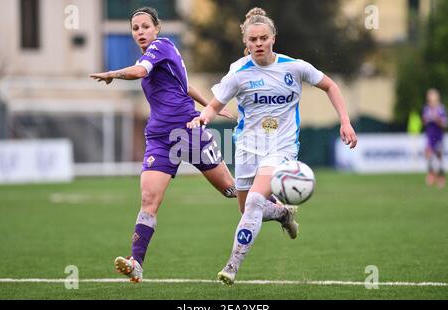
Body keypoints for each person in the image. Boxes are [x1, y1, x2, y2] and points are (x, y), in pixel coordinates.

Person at [90, 7, 297, 283]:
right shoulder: (158, 57)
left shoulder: (160, 47)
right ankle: (136, 262)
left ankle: (280, 211)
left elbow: (140, 72)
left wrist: (113, 73)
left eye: (145, 27)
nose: (140, 32)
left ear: (157, 28)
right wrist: (210, 104)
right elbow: (184, 85)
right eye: (135, 28)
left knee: (233, 191)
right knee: (149, 200)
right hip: (160, 138)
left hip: (189, 132)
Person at [188, 7, 358, 285]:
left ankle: (232, 265)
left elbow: (331, 86)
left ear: (273, 38)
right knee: (247, 209)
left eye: (263, 38)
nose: (258, 44)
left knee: (255, 201)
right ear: (246, 42)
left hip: (282, 147)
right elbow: (214, 106)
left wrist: (345, 121)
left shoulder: (294, 66)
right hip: (246, 148)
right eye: (252, 40)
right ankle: (282, 213)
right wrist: (202, 119)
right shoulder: (238, 74)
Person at [422, 88, 446, 188]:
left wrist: (437, 119)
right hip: (430, 135)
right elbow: (424, 121)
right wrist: (426, 120)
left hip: (438, 136)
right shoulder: (426, 109)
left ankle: (441, 176)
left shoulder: (441, 109)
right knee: (428, 154)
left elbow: (444, 124)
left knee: (439, 156)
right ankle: (431, 173)